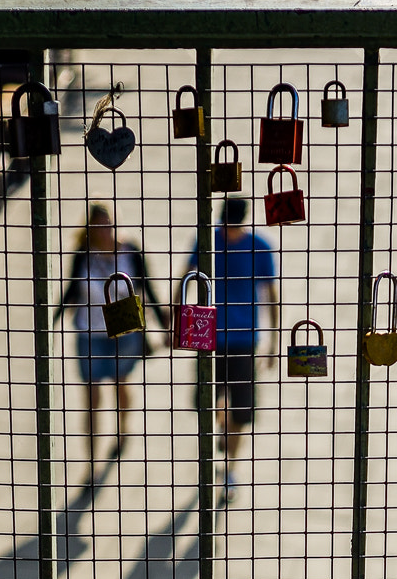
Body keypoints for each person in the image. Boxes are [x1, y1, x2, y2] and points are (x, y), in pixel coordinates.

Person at [55, 203, 167, 489]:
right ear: (91, 229)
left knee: (121, 384)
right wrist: (51, 320)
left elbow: (148, 286)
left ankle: (123, 429)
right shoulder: (84, 255)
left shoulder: (131, 251)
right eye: (100, 226)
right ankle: (91, 465)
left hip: (124, 332)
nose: (106, 231)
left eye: (109, 224)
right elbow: (71, 289)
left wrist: (164, 322)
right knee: (91, 400)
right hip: (89, 331)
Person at [181, 195, 279, 507]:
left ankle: (230, 470)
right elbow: (186, 276)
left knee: (239, 409)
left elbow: (270, 294)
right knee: (210, 402)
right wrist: (177, 318)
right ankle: (223, 430)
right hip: (208, 335)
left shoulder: (258, 247)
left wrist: (273, 342)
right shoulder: (211, 241)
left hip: (242, 339)